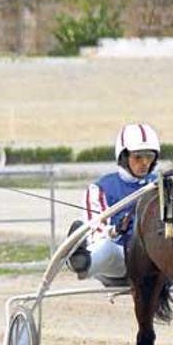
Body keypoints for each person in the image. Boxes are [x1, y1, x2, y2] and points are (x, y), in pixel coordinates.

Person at [67, 122, 160, 284]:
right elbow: (96, 232)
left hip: (157, 260)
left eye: (149, 156)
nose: (145, 162)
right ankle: (78, 262)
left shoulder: (160, 184)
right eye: (138, 157)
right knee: (107, 248)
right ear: (124, 157)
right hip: (121, 262)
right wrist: (114, 231)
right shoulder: (100, 188)